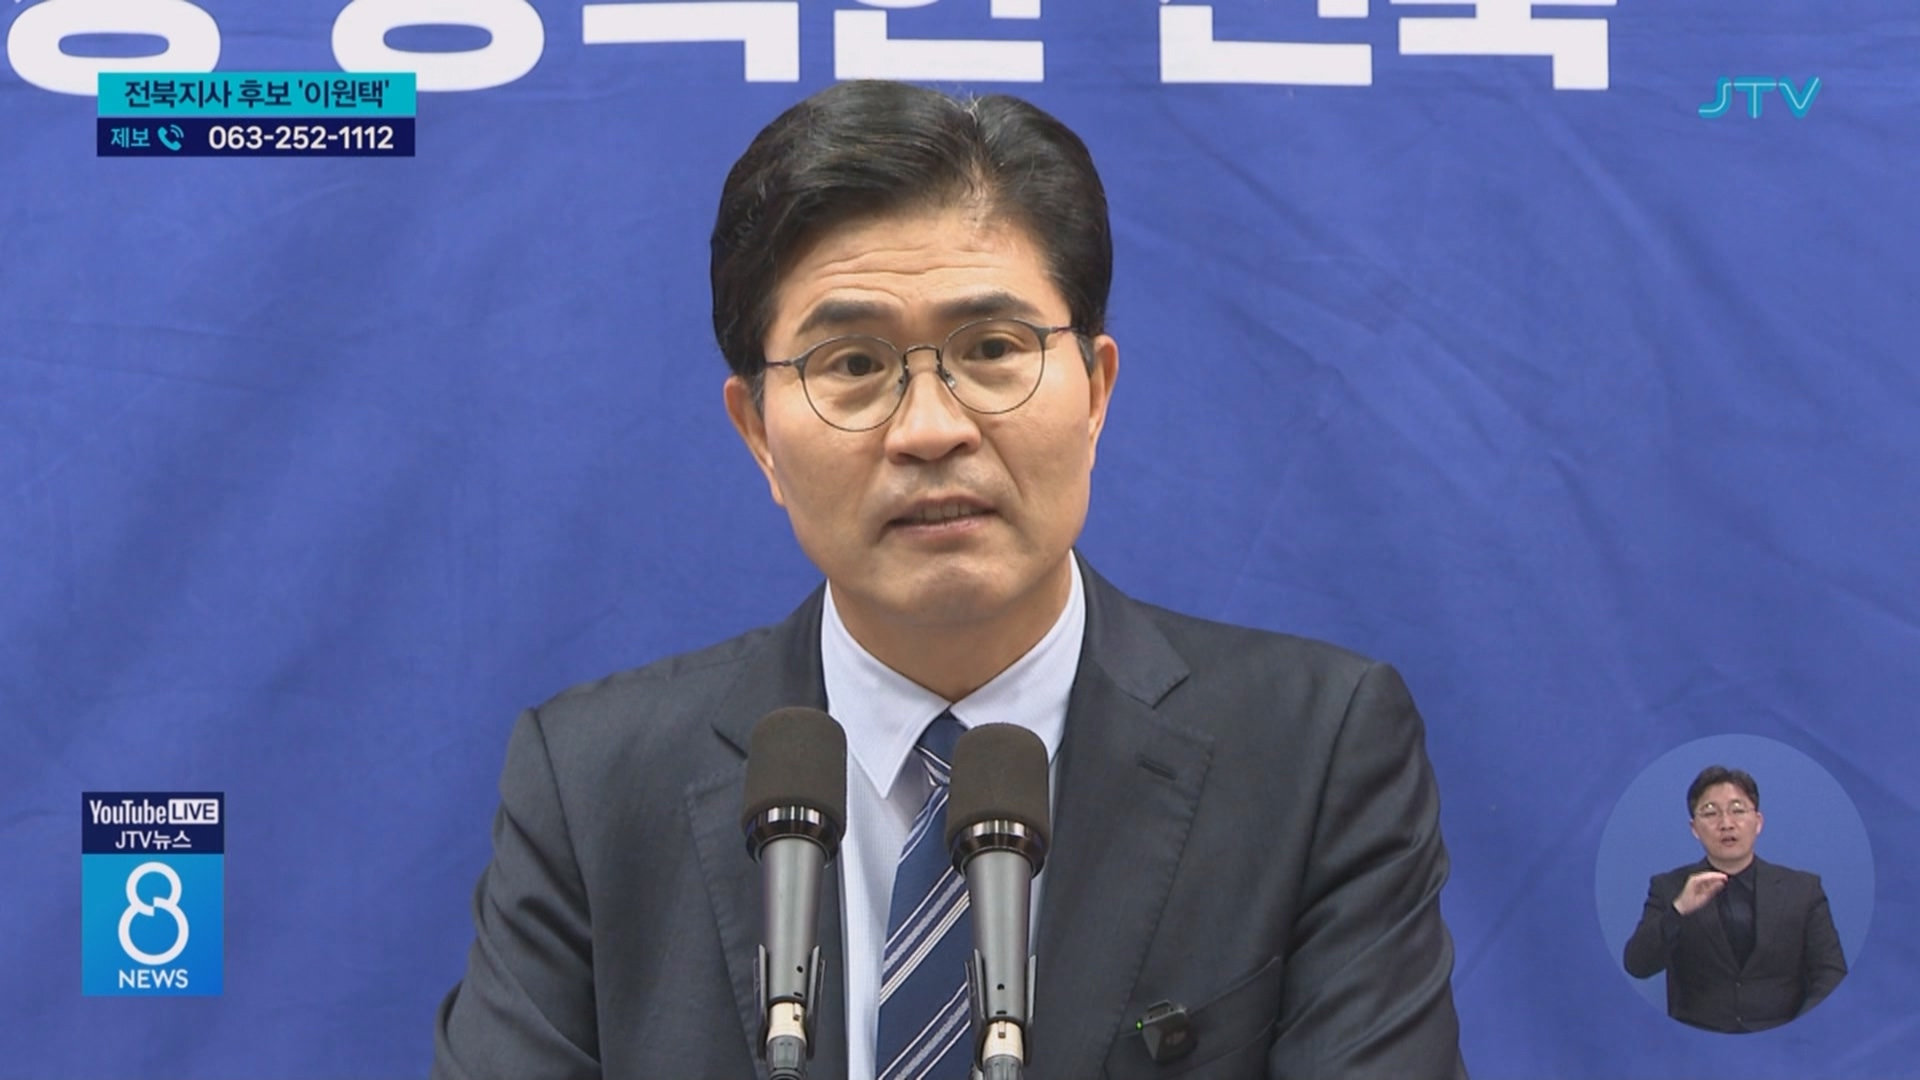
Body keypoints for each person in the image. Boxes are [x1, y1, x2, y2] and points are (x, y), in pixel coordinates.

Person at [431, 79, 1466, 1080]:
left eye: (993, 349)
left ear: (1095, 392)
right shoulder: (593, 786)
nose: (931, 429)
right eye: (852, 365)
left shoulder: (1311, 755)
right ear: (758, 435)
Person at [1622, 765, 1847, 1034]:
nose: (1726, 823)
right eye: (1710, 813)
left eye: (1738, 810)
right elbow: (1638, 965)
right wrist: (1679, 910)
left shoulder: (1802, 889)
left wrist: (1797, 1034)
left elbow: (1831, 973)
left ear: (1758, 822)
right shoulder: (1669, 887)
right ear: (1694, 828)